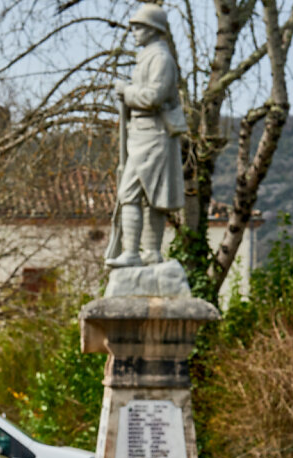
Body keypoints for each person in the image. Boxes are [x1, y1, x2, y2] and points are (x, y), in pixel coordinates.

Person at [105, 2, 185, 268]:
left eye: (139, 27)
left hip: (153, 135)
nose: (134, 32)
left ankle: (138, 252)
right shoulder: (149, 57)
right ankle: (145, 252)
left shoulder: (161, 58)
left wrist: (126, 92)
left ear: (152, 29)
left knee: (138, 193)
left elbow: (153, 97)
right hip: (142, 134)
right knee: (144, 195)